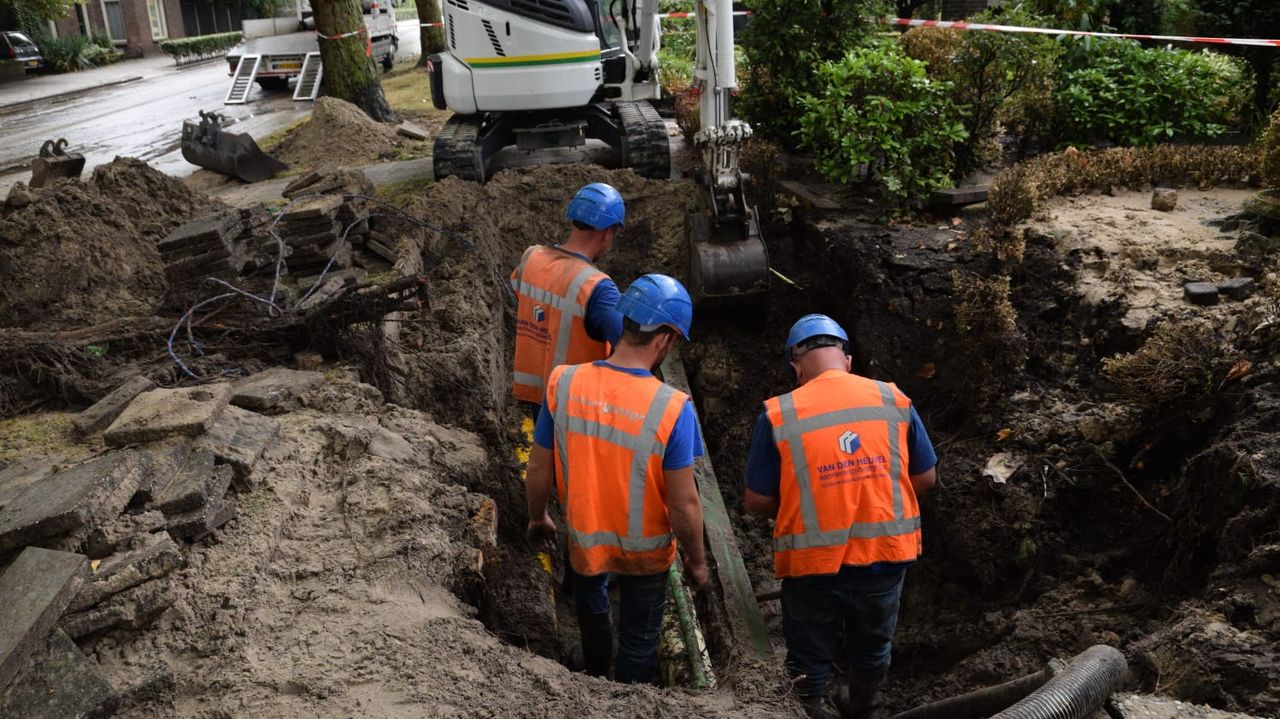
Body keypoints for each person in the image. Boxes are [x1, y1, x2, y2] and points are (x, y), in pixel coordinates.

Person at [744, 314, 937, 719]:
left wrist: (806, 503)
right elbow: (924, 476)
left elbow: (757, 500)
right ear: (846, 358)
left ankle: (809, 708)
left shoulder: (779, 414)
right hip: (885, 556)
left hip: (812, 564)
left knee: (808, 651)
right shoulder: (893, 399)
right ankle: (864, 706)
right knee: (872, 645)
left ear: (795, 365)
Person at [524, 274, 709, 684]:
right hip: (646, 553)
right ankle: (629, 693)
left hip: (586, 541)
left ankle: (593, 671)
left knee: (592, 612)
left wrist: (538, 517)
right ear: (665, 340)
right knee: (640, 641)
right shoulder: (673, 408)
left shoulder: (565, 382)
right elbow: (684, 503)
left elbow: (538, 466)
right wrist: (696, 562)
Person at [510, 182, 627, 405]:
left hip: (537, 395)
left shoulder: (531, 258)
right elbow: (629, 351)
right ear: (607, 232)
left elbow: (526, 299)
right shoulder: (598, 288)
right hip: (576, 406)